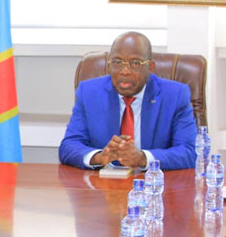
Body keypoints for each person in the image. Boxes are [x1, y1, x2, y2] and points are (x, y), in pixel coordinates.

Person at [59, 31, 197, 170]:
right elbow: (69, 146)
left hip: (153, 181)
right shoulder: (89, 92)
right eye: (117, 62)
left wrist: (143, 158)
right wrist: (99, 157)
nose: (125, 71)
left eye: (135, 63)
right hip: (103, 181)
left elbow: (189, 152)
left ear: (150, 67)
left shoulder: (175, 95)